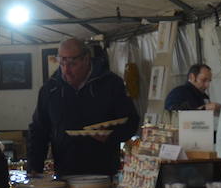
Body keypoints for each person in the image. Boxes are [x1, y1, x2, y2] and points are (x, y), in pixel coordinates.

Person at [26, 37, 140, 177]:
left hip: (104, 171)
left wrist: (110, 135)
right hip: (65, 171)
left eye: (72, 64)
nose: (66, 70)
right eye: (62, 63)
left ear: (86, 59)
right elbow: (38, 130)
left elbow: (131, 122)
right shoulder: (50, 89)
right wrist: (34, 167)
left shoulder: (111, 84)